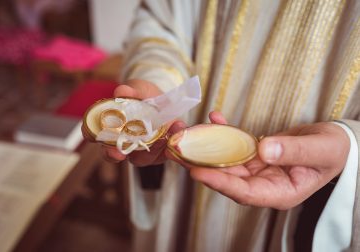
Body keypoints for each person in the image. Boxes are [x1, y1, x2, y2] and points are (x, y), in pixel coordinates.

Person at [103, 0, 360, 251]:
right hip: (185, 150)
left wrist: (349, 145)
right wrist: (160, 98)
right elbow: (162, 25)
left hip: (306, 193)